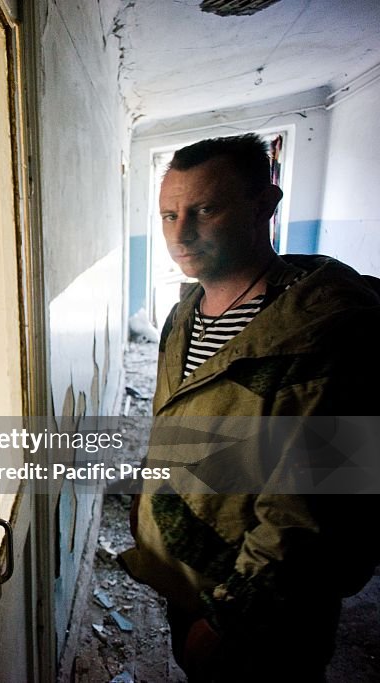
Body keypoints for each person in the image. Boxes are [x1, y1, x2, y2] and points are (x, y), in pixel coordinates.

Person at [118, 133, 380, 682]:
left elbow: (318, 507)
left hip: (265, 610)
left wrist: (232, 618)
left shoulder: (328, 332)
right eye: (168, 215)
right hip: (192, 578)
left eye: (205, 209)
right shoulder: (185, 313)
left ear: (265, 205)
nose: (180, 234)